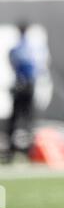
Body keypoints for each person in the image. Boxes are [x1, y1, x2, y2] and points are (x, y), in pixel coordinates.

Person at [5, 22, 37, 162]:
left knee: (16, 119)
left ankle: (12, 151)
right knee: (27, 118)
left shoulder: (17, 49)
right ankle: (29, 150)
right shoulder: (30, 48)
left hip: (20, 86)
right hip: (28, 86)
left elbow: (13, 63)